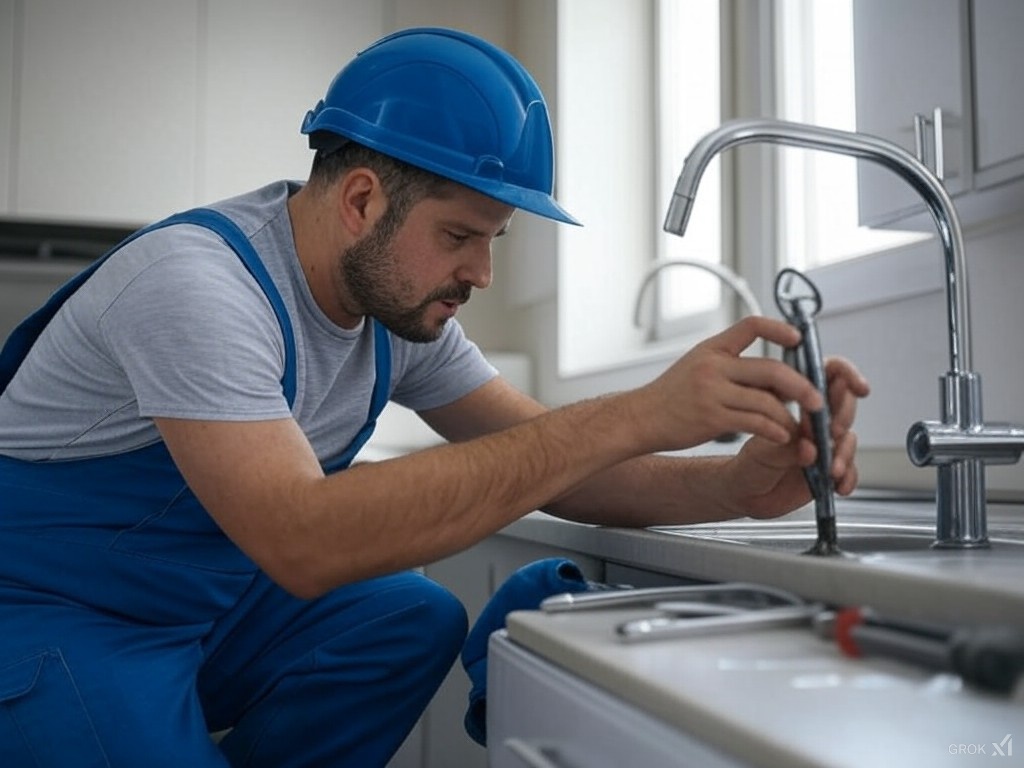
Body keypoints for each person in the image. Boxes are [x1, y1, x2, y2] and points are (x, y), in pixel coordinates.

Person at [0, 26, 869, 768]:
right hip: (54, 620)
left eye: (492, 240)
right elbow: (301, 540)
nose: (481, 274)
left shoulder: (394, 312)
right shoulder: (196, 288)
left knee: (409, 617)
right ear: (362, 200)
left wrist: (732, 488)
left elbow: (562, 468)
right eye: (459, 236)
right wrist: (636, 409)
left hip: (194, 612)